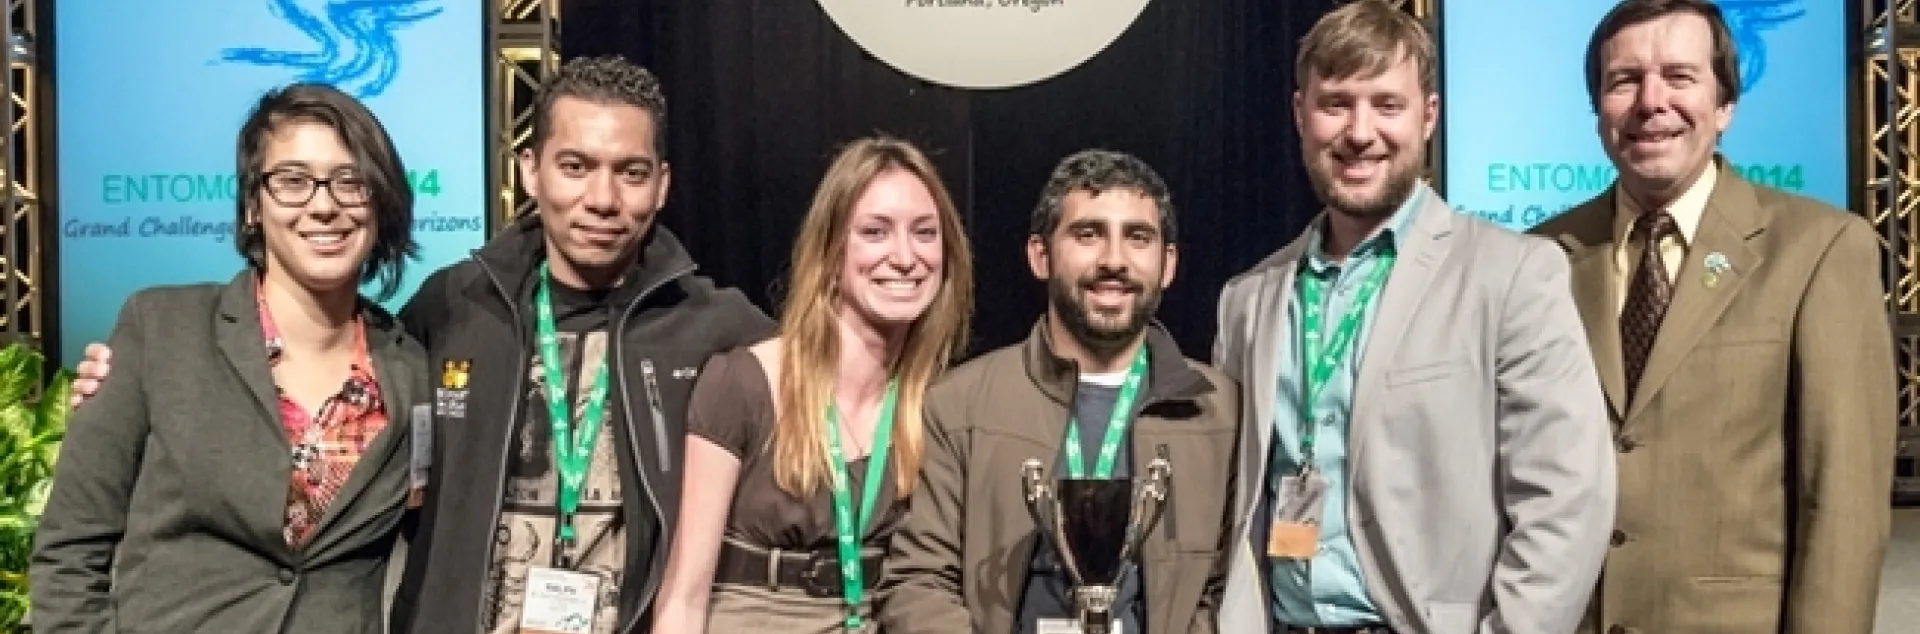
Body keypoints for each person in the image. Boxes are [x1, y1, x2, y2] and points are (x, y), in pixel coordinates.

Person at [67, 55, 776, 634]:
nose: (602, 198)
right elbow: (77, 547)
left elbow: (827, 382)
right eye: (575, 166)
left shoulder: (713, 325)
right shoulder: (452, 308)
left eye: (630, 172)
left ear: (662, 186)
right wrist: (115, 389)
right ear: (531, 172)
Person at [1212, 2, 1618, 633]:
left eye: (1386, 105)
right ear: (1300, 114)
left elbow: (1567, 502)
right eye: (1336, 103)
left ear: (1429, 115)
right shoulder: (1249, 299)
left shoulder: (1513, 276)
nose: (1359, 131)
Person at [1529, 1, 1898, 632]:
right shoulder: (1540, 256)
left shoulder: (1820, 249)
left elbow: (1844, 501)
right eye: (1625, 81)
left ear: (1725, 105)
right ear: (1598, 114)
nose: (1652, 101)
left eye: (1679, 76)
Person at [30, 83, 428, 633]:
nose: (324, 203)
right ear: (251, 207)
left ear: (381, 204)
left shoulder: (413, 370)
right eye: (292, 181)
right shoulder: (161, 330)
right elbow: (71, 552)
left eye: (350, 181)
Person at [882, 149, 1238, 634]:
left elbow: (1226, 589)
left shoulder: (1221, 413)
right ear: (1040, 255)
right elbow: (919, 581)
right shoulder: (959, 404)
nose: (1114, 260)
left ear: (1168, 263)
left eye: (1138, 238)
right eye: (1088, 234)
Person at [650, 137, 974, 633]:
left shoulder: (939, 403)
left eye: (925, 233)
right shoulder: (743, 384)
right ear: (830, 251)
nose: (905, 256)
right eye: (875, 232)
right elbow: (684, 599)